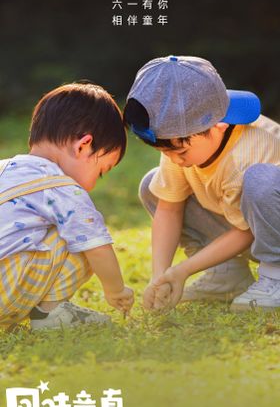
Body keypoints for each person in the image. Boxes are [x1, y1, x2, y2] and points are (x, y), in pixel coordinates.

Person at [124, 55, 280, 311]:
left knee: (260, 182)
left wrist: (182, 271)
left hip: (267, 229)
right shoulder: (183, 136)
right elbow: (169, 208)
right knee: (152, 186)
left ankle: (276, 277)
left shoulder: (245, 156)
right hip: (247, 226)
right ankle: (226, 274)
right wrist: (160, 277)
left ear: (217, 126)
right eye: (166, 152)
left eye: (181, 152)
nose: (175, 160)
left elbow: (246, 232)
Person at [0, 82, 134, 330]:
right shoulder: (61, 186)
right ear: (83, 145)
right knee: (85, 235)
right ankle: (49, 315)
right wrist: (116, 290)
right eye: (101, 171)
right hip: (5, 292)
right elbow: (97, 245)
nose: (93, 185)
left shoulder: (5, 168)